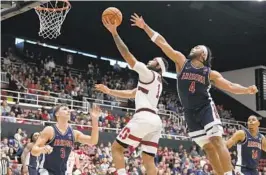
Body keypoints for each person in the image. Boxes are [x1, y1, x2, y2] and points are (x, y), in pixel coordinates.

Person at [130, 13, 258, 175]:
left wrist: (246, 90)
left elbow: (230, 86)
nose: (193, 48)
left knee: (217, 141)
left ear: (203, 55)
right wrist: (145, 27)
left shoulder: (209, 73)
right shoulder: (181, 62)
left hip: (205, 108)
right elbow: (163, 44)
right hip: (189, 112)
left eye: (197, 48)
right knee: (208, 149)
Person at [100, 17, 169, 175]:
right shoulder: (157, 82)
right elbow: (131, 93)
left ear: (158, 66)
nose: (150, 61)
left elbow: (128, 56)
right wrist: (109, 91)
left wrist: (114, 33)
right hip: (156, 121)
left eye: (153, 60)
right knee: (148, 160)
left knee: (116, 148)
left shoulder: (149, 73)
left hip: (144, 116)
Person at [31, 104, 100, 175]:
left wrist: (95, 119)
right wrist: (42, 149)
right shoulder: (50, 130)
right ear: (57, 114)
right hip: (46, 171)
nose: (68, 111)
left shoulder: (74, 133)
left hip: (62, 172)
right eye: (64, 109)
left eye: (68, 109)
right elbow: (34, 151)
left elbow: (93, 141)